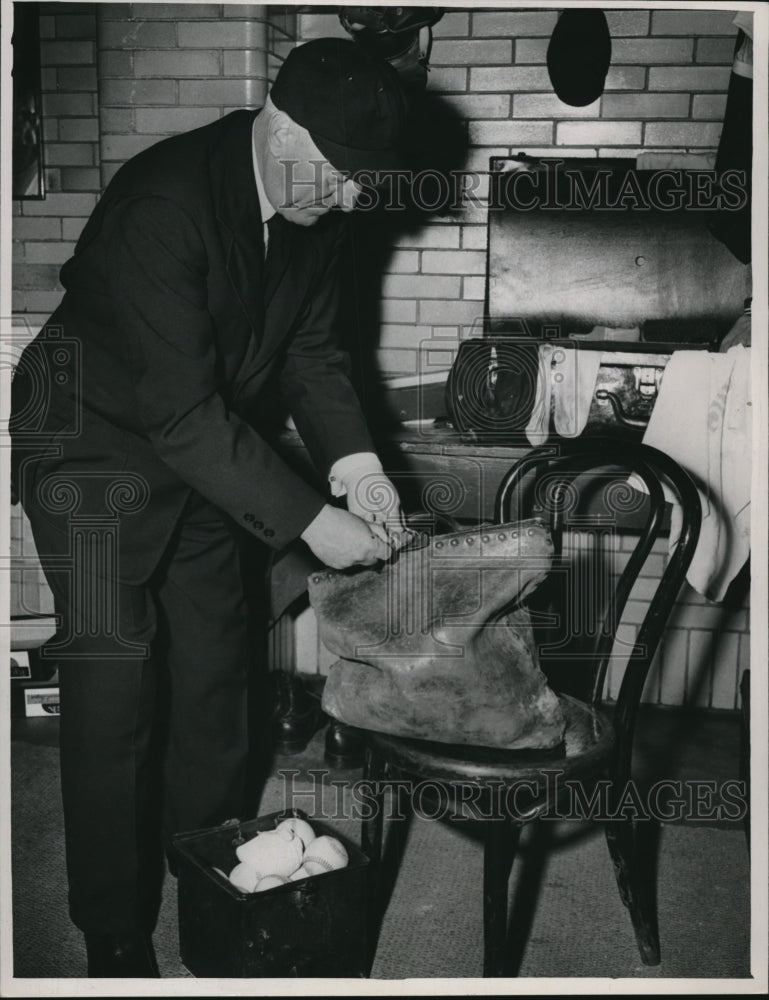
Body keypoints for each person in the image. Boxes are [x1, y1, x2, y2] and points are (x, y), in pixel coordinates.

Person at [10, 38, 408, 977]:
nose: (350, 200)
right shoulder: (165, 201)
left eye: (364, 185)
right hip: (90, 445)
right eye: (339, 177)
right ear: (279, 125)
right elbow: (179, 413)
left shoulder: (321, 203)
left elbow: (314, 355)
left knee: (218, 672)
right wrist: (317, 521)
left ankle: (207, 872)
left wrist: (361, 472)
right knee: (117, 683)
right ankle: (113, 926)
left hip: (199, 444)